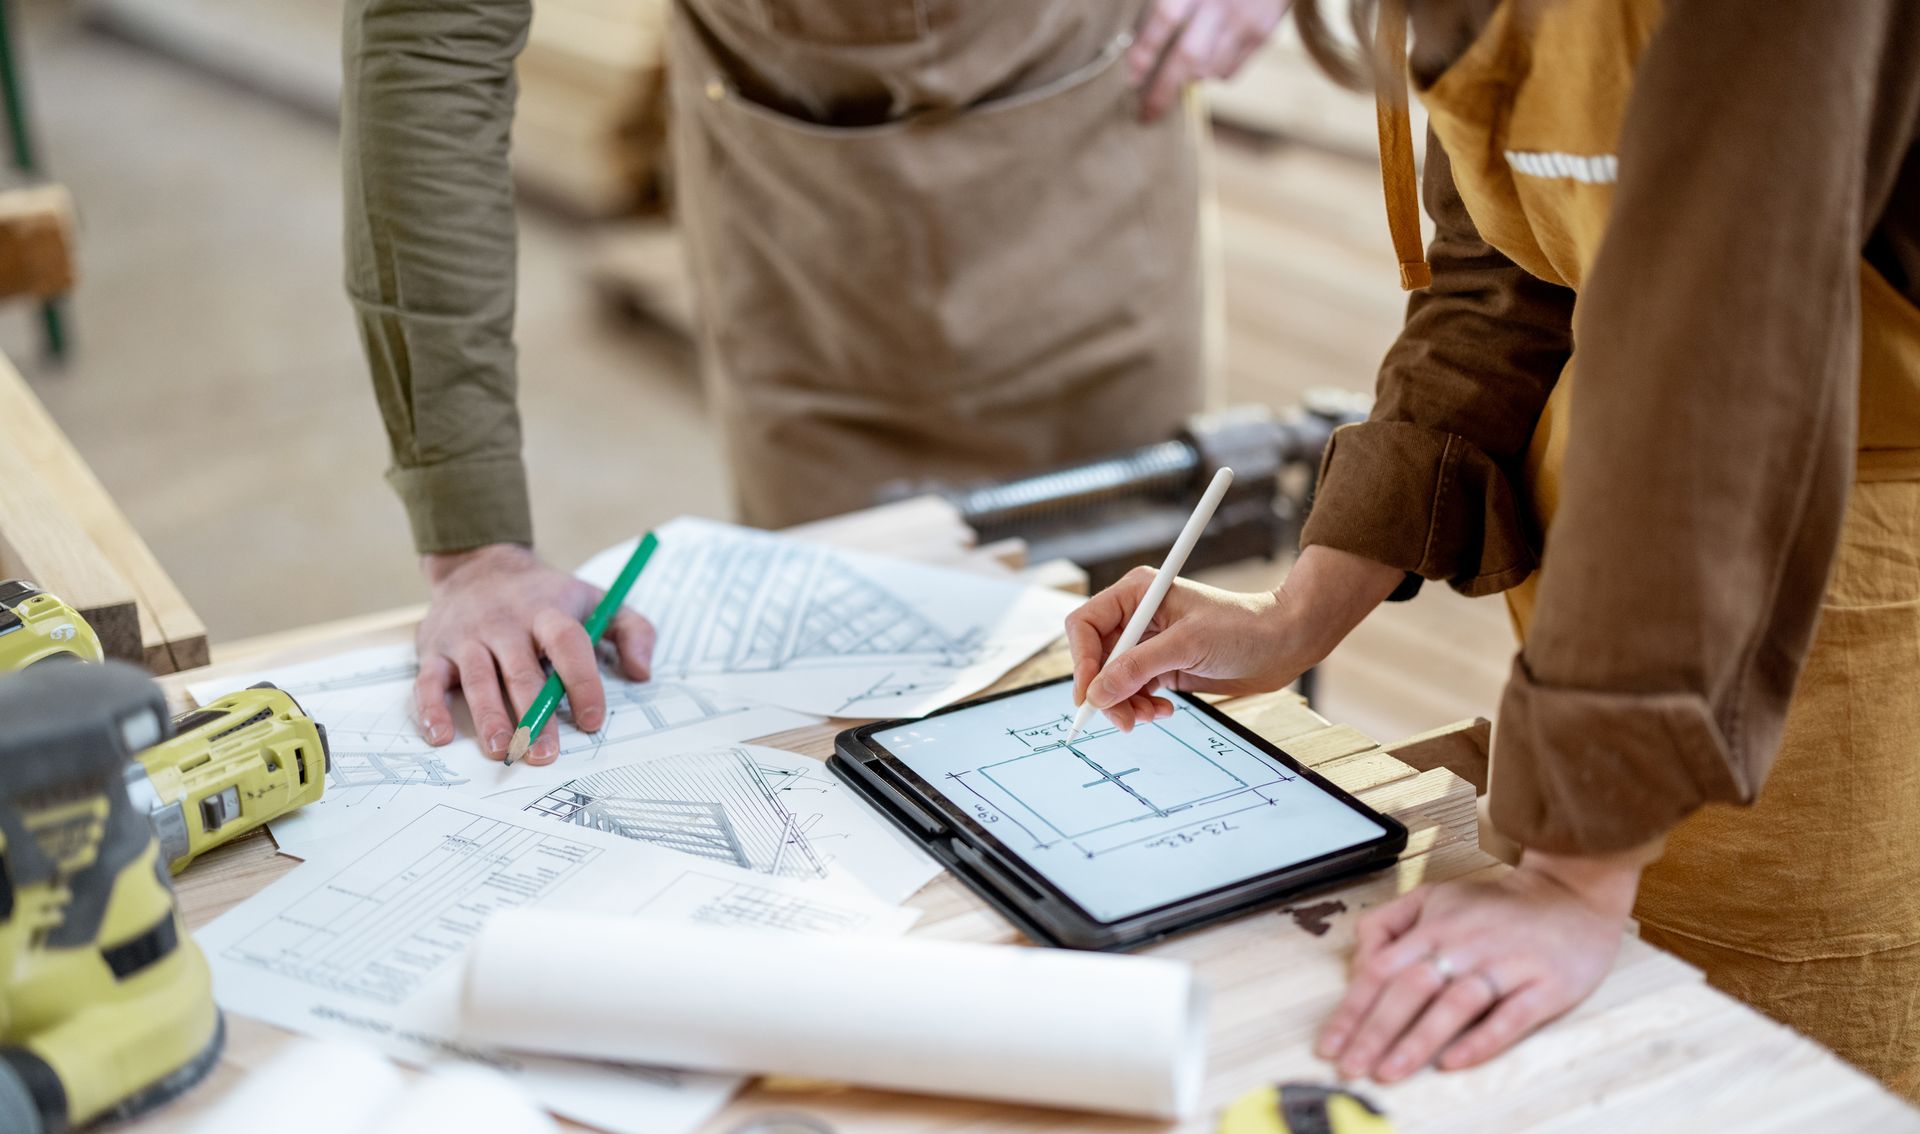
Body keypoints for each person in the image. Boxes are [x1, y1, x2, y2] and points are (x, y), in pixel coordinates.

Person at [1069, 0, 1920, 1100]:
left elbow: (1718, 359)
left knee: (1764, 1099)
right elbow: (1505, 268)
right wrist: (1297, 615)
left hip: (1834, 606)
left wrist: (1574, 873)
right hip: (1640, 603)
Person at [341, 0, 1287, 767]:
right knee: (851, 737)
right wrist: (472, 543)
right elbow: (428, 47)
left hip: (1091, 147)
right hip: (799, 227)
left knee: (1145, 709)